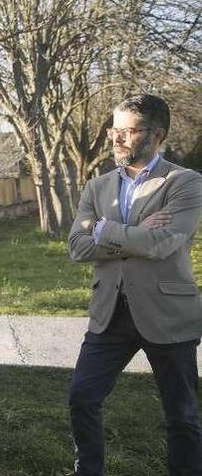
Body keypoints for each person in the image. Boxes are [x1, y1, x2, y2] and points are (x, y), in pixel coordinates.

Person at [67, 93, 202, 474]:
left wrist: (105, 229)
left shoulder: (184, 182)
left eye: (128, 131)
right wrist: (131, 235)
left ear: (157, 134)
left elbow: (162, 243)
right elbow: (77, 247)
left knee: (181, 415)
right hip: (109, 314)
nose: (117, 139)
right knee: (82, 397)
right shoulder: (97, 187)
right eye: (114, 130)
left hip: (169, 314)